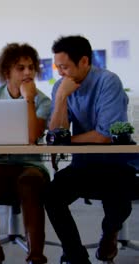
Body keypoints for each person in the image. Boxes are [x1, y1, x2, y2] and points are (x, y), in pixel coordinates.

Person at [45, 35, 138, 264]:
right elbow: (57, 135)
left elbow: (104, 136)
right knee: (52, 195)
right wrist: (60, 98)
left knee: (118, 201)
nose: (60, 73)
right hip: (83, 164)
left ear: (84, 61)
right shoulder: (61, 87)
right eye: (58, 67)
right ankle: (76, 257)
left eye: (65, 67)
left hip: (115, 163)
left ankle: (110, 234)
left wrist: (67, 140)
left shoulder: (108, 82)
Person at [0, 43, 51, 264]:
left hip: (30, 165)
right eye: (20, 68)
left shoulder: (42, 100)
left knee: (30, 182)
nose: (27, 72)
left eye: (31, 67)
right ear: (7, 72)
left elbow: (32, 136)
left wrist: (28, 99)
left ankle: (36, 256)